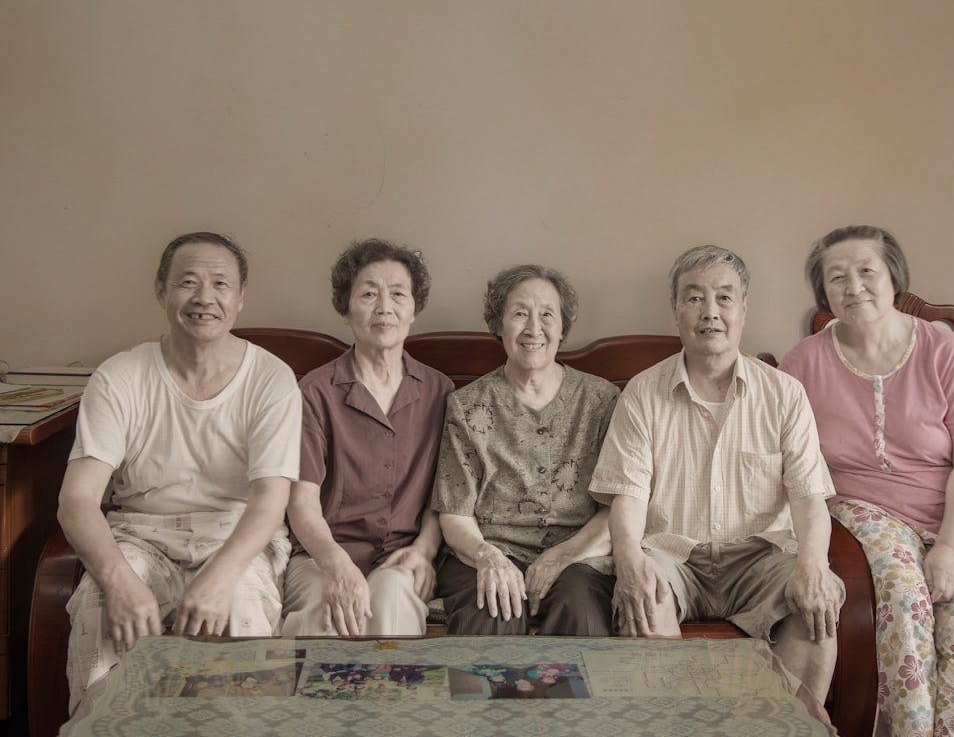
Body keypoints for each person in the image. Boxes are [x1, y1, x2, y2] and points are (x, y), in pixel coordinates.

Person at [58, 232, 301, 718]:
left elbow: (270, 501)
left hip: (234, 539)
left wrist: (219, 576)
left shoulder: (271, 378)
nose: (204, 298)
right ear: (161, 291)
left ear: (240, 298)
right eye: (187, 282)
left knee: (242, 616)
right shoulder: (120, 375)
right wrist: (118, 579)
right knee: (100, 609)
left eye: (219, 284)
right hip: (139, 537)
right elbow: (77, 501)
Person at [588, 244, 843, 703]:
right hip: (675, 557)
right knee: (642, 597)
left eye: (724, 298)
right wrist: (628, 560)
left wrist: (813, 565)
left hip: (760, 559)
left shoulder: (785, 395)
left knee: (815, 606)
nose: (710, 312)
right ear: (675, 310)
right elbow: (628, 498)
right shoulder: (643, 394)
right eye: (694, 298)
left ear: (744, 309)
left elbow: (809, 500)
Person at [780, 225, 954, 736]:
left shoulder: (943, 350)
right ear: (823, 292)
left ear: (893, 277)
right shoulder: (803, 362)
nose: (853, 286)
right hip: (865, 508)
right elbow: (789, 458)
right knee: (905, 603)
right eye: (836, 277)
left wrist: (948, 547)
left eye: (867, 271)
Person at [431, 264, 620, 635]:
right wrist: (488, 558)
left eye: (547, 314)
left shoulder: (601, 400)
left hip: (578, 554)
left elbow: (615, 508)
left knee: (580, 611)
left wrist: (563, 556)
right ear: (498, 325)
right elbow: (454, 512)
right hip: (484, 552)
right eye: (520, 313)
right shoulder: (467, 406)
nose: (534, 328)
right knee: (491, 612)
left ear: (563, 327)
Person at [281, 238, 453, 636]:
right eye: (368, 294)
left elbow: (444, 496)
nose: (384, 307)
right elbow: (302, 502)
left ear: (414, 308)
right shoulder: (316, 391)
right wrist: (338, 567)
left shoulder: (439, 391)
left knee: (392, 593)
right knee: (332, 611)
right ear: (346, 308)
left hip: (402, 556)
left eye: (397, 294)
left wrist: (424, 552)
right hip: (321, 557)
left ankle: (397, 700)